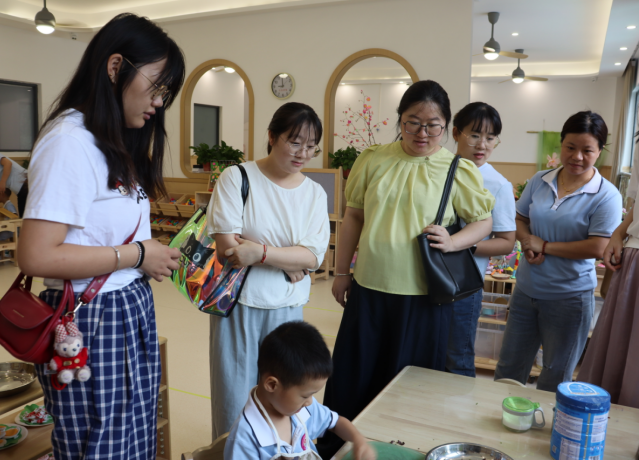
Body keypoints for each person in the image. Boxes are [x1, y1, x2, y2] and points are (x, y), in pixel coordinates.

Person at [17, 13, 185, 460]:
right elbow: (36, 255)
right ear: (115, 68)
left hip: (124, 309)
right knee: (100, 446)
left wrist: (146, 256)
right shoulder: (69, 141)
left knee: (131, 440)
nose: (159, 102)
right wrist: (137, 254)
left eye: (165, 93)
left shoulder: (109, 140)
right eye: (156, 86)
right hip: (92, 319)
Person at [317, 80, 495, 458]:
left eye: (433, 125)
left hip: (424, 298)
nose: (422, 133)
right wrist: (342, 273)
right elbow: (353, 216)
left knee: (410, 384)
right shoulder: (372, 159)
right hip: (369, 288)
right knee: (354, 376)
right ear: (399, 120)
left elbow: (484, 222)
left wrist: (453, 241)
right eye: (413, 122)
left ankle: (401, 451)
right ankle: (340, 449)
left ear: (447, 127)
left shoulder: (457, 169)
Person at [206, 102, 330, 440]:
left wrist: (260, 252)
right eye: (295, 142)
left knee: (284, 396)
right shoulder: (238, 178)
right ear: (272, 137)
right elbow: (228, 248)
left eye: (311, 146)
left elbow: (313, 257)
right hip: (237, 305)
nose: (303, 153)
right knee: (233, 395)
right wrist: (288, 259)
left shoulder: (314, 193)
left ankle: (278, 452)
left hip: (288, 309)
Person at [494, 111, 622, 392]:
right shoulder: (540, 179)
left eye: (587, 150)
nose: (577, 157)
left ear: (600, 151)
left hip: (569, 299)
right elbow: (520, 218)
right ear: (561, 144)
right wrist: (527, 242)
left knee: (555, 377)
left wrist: (545, 247)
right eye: (570, 147)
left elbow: (598, 246)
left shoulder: (606, 195)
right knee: (508, 369)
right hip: (526, 291)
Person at [224, 321, 376, 460]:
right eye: (305, 396)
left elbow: (336, 423)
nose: (309, 402)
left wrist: (358, 440)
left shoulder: (301, 409)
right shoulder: (243, 440)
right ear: (271, 385)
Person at [446, 102, 516, 377]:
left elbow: (506, 242)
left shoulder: (497, 184)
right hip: (422, 277)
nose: (482, 145)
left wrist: (460, 245)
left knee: (458, 357)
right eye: (475, 135)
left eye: (490, 138)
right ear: (456, 133)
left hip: (464, 285)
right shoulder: (439, 169)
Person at [577, 137, 639, 408]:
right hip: (635, 252)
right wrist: (619, 232)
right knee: (620, 352)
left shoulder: (605, 193)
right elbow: (637, 203)